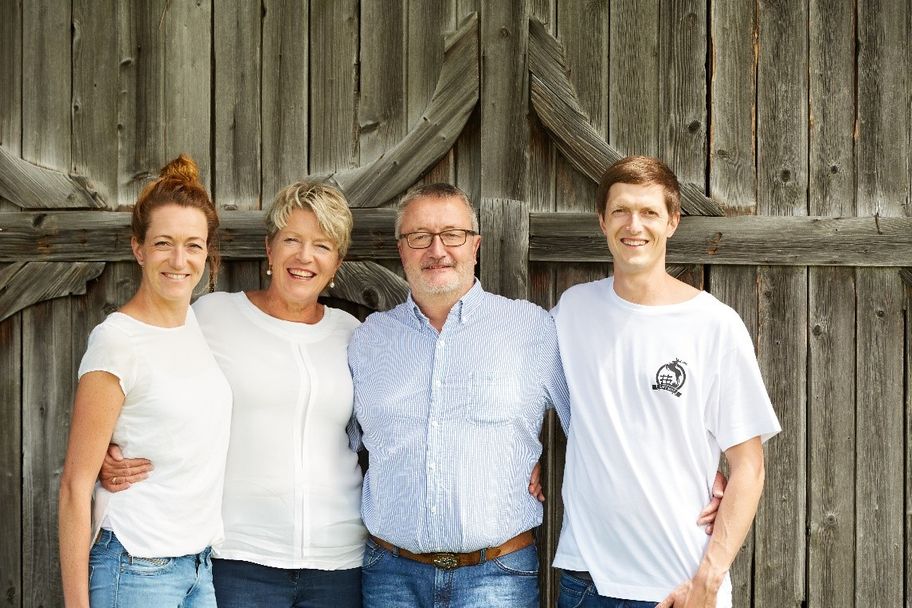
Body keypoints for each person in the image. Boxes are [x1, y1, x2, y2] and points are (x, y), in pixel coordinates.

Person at [348, 183, 724, 608]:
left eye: (452, 234)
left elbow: (607, 419)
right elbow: (336, 445)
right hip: (391, 576)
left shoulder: (534, 330)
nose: (438, 250)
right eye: (420, 236)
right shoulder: (367, 341)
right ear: (402, 249)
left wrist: (694, 466)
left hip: (497, 578)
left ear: (475, 246)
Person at [99, 181, 366, 607]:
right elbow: (145, 378)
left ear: (337, 262)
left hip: (339, 563)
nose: (304, 256)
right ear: (269, 248)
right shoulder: (212, 316)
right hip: (239, 558)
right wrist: (108, 451)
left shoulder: (353, 336)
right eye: (292, 240)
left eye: (322, 245)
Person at [551, 156, 781, 608]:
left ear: (672, 221)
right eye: (620, 210)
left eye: (649, 212)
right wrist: (525, 459)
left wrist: (707, 581)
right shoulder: (573, 310)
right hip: (585, 582)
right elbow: (520, 387)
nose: (633, 225)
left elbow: (749, 467)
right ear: (602, 221)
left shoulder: (714, 325)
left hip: (679, 585)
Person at [58, 154, 231, 607]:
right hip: (135, 567)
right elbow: (74, 487)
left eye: (193, 245)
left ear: (207, 253)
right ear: (139, 249)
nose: (179, 260)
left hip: (198, 568)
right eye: (163, 244)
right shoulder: (117, 341)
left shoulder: (194, 324)